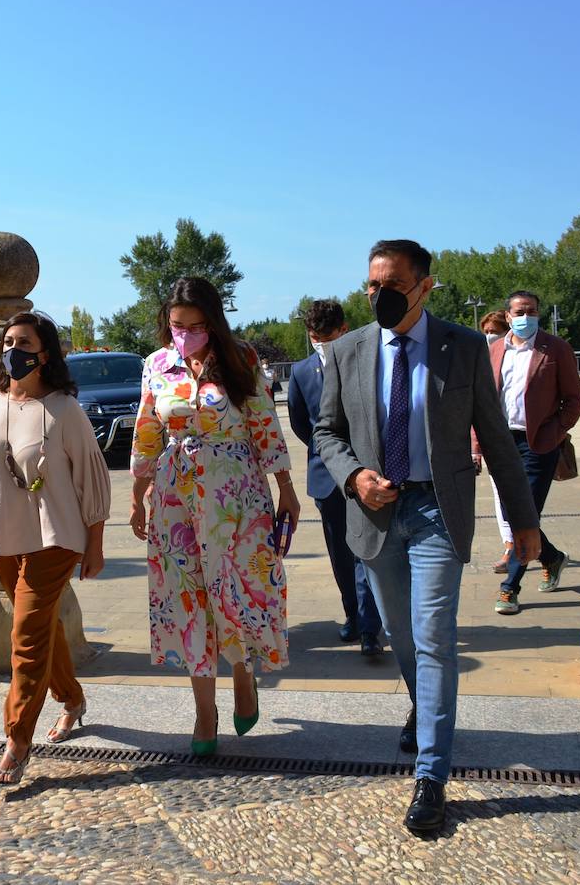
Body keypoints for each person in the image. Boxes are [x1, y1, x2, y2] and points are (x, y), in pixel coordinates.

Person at [313, 239, 539, 834]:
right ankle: (423, 705)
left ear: (424, 287)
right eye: (370, 286)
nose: (377, 296)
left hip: (438, 509)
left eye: (391, 286)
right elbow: (327, 434)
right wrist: (355, 476)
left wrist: (524, 521)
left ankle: (432, 773)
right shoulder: (346, 351)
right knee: (400, 635)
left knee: (435, 635)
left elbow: (495, 437)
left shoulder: (463, 348)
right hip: (377, 514)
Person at [129, 277, 300, 757]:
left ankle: (244, 677)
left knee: (238, 591)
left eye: (197, 325)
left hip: (238, 496)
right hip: (176, 497)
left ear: (214, 322)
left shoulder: (239, 357)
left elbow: (264, 422)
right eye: (177, 325)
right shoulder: (156, 365)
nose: (185, 333)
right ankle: (206, 713)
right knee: (188, 600)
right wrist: (137, 492)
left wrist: (286, 488)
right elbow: (146, 431)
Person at [0, 311, 111, 786]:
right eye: (7, 340)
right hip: (3, 538)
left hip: (54, 538)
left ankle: (17, 742)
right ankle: (72, 699)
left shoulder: (64, 409)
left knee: (24, 636)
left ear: (45, 354)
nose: (12, 349)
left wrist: (95, 544)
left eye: (23, 341)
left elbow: (93, 480)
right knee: (42, 631)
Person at [474, 290, 580, 615]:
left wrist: (555, 430)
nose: (526, 316)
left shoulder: (556, 349)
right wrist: (477, 447)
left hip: (539, 444)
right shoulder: (494, 351)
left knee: (526, 515)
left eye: (532, 311)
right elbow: (481, 403)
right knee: (511, 513)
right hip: (502, 444)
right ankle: (550, 556)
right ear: (508, 316)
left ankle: (510, 587)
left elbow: (573, 399)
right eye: (520, 311)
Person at [286, 299, 383, 656]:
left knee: (366, 552)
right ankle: (353, 616)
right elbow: (300, 424)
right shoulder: (301, 371)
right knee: (341, 555)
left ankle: (371, 628)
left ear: (345, 330)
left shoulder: (367, 361)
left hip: (368, 471)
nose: (321, 343)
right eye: (315, 337)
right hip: (326, 478)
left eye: (328, 336)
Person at [479, 309, 515, 574]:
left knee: (525, 500)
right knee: (501, 496)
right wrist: (475, 448)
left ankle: (535, 550)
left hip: (526, 439)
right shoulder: (484, 360)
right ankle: (511, 546)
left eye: (495, 331)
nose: (490, 337)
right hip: (495, 437)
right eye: (487, 332)